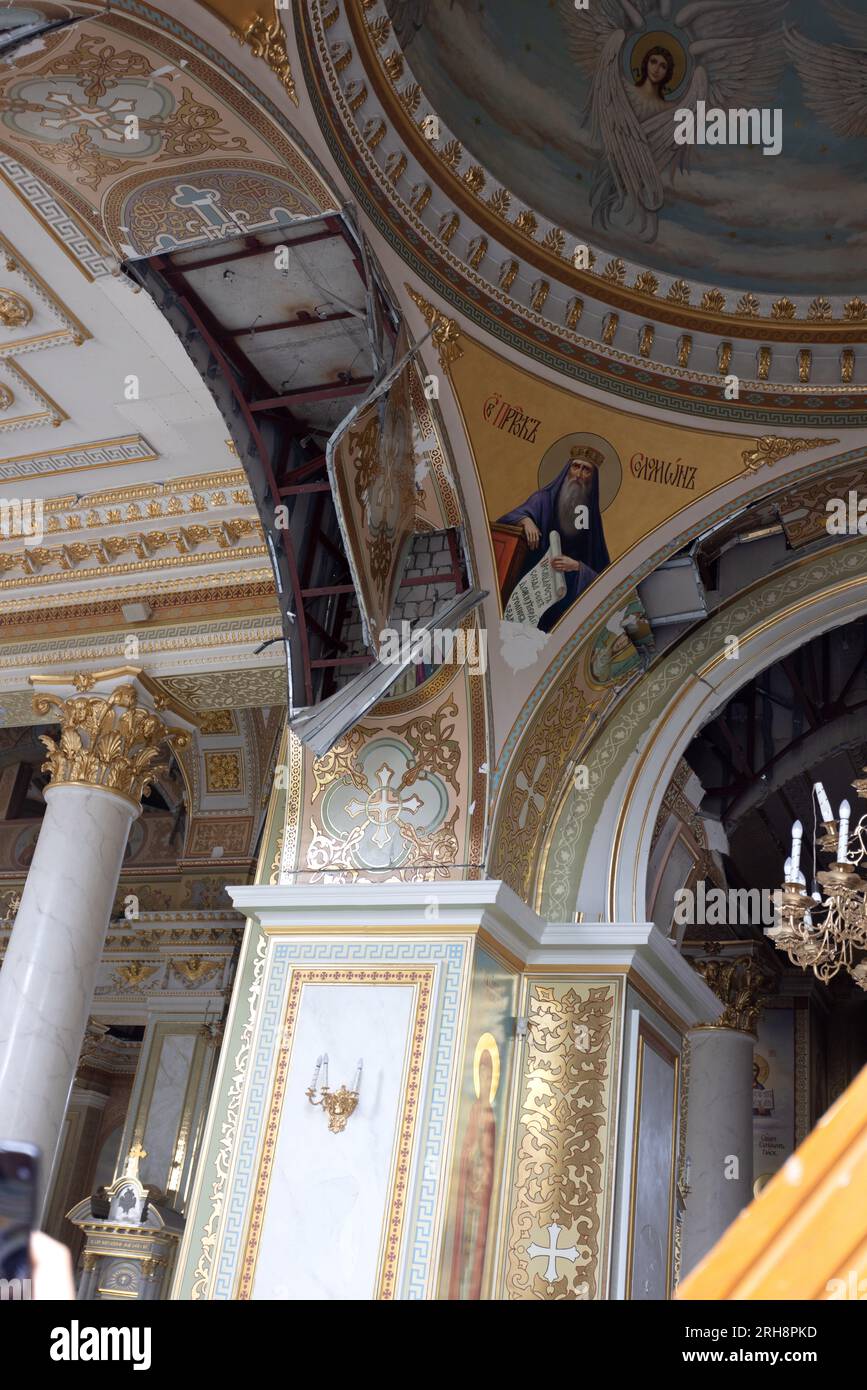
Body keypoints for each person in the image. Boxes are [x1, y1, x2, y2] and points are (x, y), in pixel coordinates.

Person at [496, 445, 610, 631]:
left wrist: (577, 566)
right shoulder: (543, 499)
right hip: (533, 582)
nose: (579, 474)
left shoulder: (591, 519)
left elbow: (604, 574)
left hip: (567, 590)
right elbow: (507, 520)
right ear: (567, 469)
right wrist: (525, 520)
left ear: (593, 478)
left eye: (586, 470)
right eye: (576, 467)